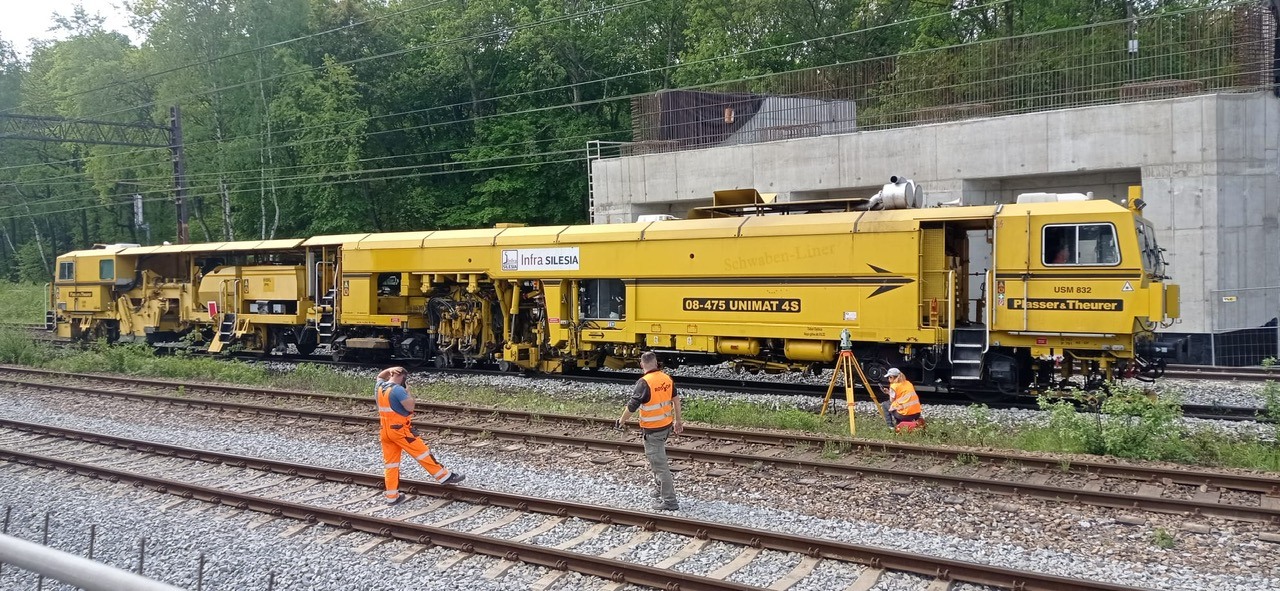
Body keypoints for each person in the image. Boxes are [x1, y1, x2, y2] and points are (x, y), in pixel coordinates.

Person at [375, 366, 465, 505]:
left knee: (391, 465)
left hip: (385, 432)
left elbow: (381, 375)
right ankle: (444, 476)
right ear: (402, 378)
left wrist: (391, 369)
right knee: (423, 453)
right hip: (400, 431)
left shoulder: (380, 387)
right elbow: (410, 407)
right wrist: (408, 392)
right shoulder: (398, 390)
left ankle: (392, 497)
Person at [614, 352, 683, 511]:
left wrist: (621, 421)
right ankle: (659, 489)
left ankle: (670, 501)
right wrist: (678, 421)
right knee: (656, 460)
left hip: (653, 431)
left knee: (659, 465)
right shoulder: (666, 378)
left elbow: (632, 406)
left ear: (641, 365)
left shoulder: (644, 382)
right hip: (665, 427)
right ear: (657, 364)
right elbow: (676, 400)